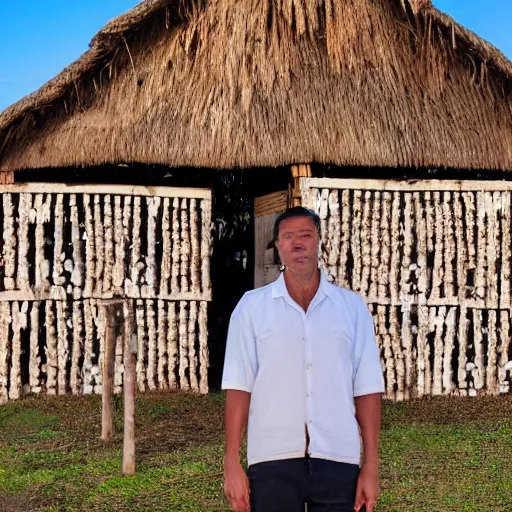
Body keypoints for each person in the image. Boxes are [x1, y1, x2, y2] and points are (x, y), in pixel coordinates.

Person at [222, 206, 384, 512]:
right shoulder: (251, 308)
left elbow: (367, 387)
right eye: (288, 237)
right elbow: (238, 385)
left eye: (306, 236)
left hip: (338, 458)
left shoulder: (351, 308)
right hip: (272, 460)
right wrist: (232, 462)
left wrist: (371, 465)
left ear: (319, 242)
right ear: (278, 246)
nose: (298, 244)